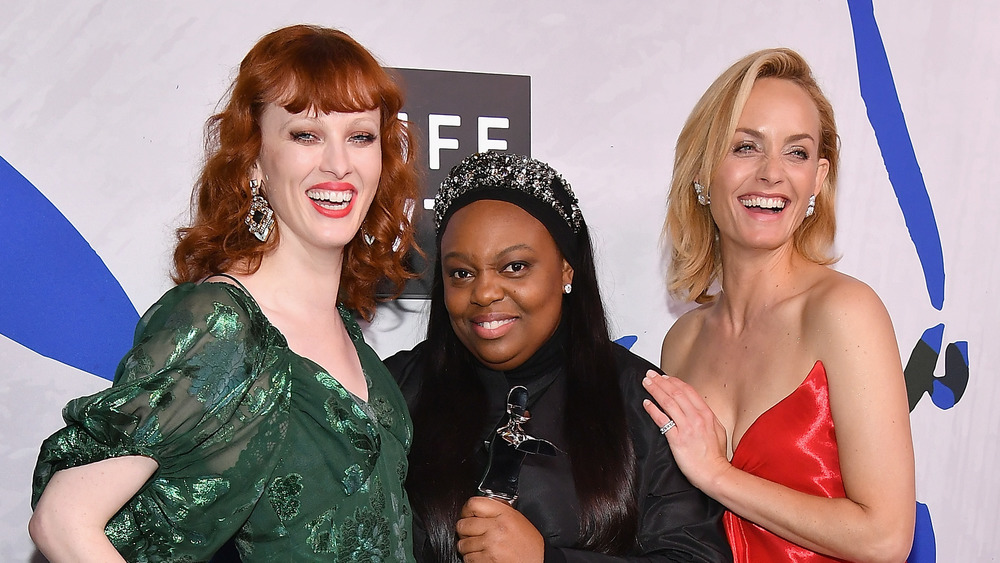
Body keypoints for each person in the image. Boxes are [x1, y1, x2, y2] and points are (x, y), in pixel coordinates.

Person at [29, 24, 419, 562]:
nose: (339, 163)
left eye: (360, 136)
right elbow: (63, 520)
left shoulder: (347, 332)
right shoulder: (223, 326)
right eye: (305, 134)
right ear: (255, 160)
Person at [386, 151, 732, 563]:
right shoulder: (395, 391)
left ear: (567, 269)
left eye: (514, 266)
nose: (483, 293)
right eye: (461, 272)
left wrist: (546, 559)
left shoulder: (642, 403)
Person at [642, 48, 915, 562]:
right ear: (702, 169)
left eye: (797, 152)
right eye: (745, 147)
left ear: (819, 178)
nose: (772, 174)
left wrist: (718, 475)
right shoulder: (682, 341)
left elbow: (885, 538)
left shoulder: (845, 312)